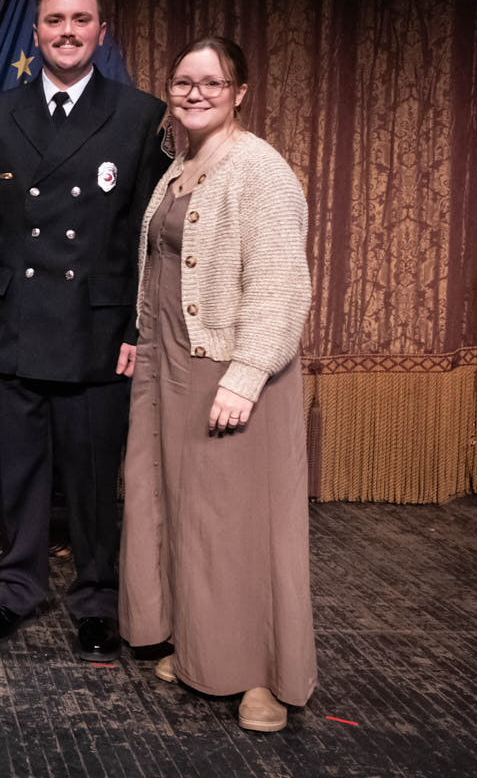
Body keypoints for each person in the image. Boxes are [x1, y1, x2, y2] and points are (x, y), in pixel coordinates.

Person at [0, 0, 167, 661]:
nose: (67, 32)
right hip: (10, 322)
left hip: (96, 329)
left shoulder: (140, 115)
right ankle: (16, 589)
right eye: (54, 21)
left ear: (101, 30)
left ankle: (97, 599)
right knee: (19, 472)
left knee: (94, 479)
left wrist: (138, 329)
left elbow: (149, 237)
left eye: (80, 19)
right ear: (35, 32)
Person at [118, 36, 316, 732]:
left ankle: (263, 675)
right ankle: (205, 648)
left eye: (212, 82)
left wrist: (248, 374)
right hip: (169, 364)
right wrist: (141, 340)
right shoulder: (180, 166)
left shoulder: (259, 169)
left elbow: (281, 284)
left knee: (242, 524)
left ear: (240, 92)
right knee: (183, 512)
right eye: (183, 82)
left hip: (228, 370)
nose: (195, 93)